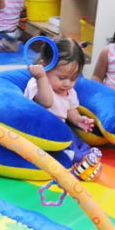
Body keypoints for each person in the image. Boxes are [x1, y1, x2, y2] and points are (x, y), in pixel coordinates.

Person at [25, 37, 100, 167]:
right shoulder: (37, 83)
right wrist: (41, 77)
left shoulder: (69, 91)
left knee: (76, 141)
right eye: (62, 78)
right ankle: (67, 156)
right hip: (39, 130)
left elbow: (70, 109)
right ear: (44, 67)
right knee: (57, 148)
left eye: (73, 78)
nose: (67, 83)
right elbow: (46, 102)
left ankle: (78, 155)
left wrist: (78, 120)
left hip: (59, 130)